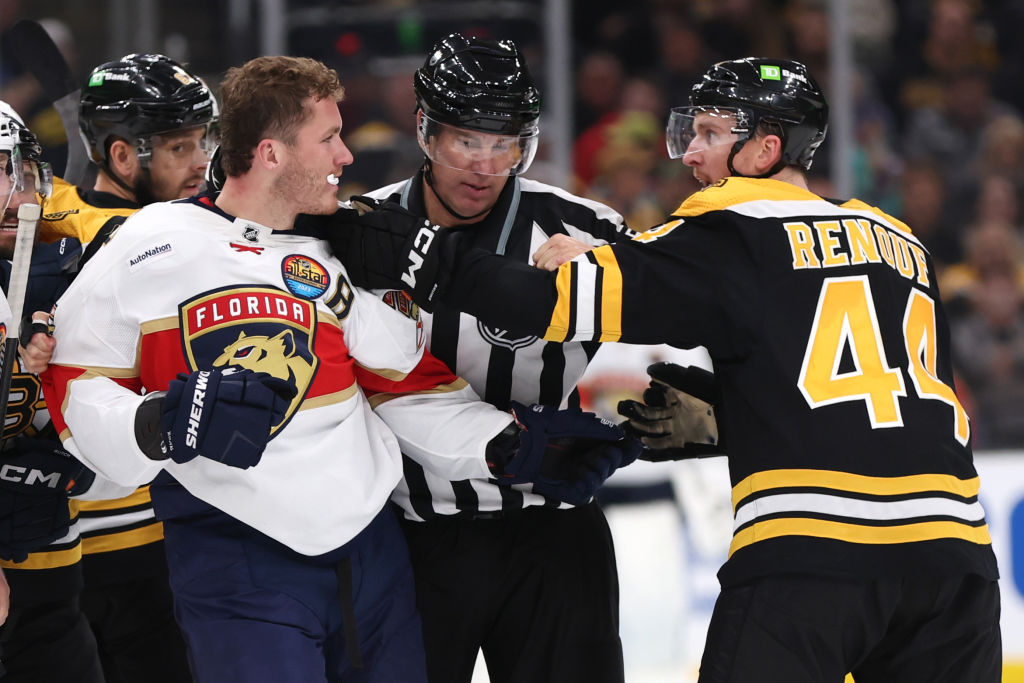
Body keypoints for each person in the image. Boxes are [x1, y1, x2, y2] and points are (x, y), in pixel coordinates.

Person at [331, 57, 1002, 682]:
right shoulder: (899, 237)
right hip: (958, 559)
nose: (691, 154)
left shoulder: (732, 225)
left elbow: (549, 303)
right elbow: (873, 393)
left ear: (765, 150)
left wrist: (427, 260)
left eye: (710, 133)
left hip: (815, 549)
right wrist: (726, 416)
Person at [42, 54, 632, 683]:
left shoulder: (334, 250)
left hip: (372, 556)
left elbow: (405, 382)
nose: (346, 156)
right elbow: (71, 385)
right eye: (328, 139)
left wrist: (510, 446)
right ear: (271, 154)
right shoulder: (147, 242)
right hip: (238, 551)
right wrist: (157, 422)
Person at [355, 33, 635, 683]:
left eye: (504, 142)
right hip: (414, 536)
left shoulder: (590, 232)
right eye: (467, 140)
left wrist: (606, 295)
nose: (486, 164)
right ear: (426, 132)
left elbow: (669, 358)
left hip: (556, 541)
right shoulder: (362, 231)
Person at [34, 53, 219, 683]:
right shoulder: (174, 236)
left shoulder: (50, 213)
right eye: (179, 146)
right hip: (93, 539)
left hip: (130, 532)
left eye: (203, 142)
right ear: (120, 156)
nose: (201, 163)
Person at [0, 98, 108, 683]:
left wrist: (71, 454)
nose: (20, 192)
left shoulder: (54, 271)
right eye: (0, 171)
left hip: (52, 567)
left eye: (21, 170)